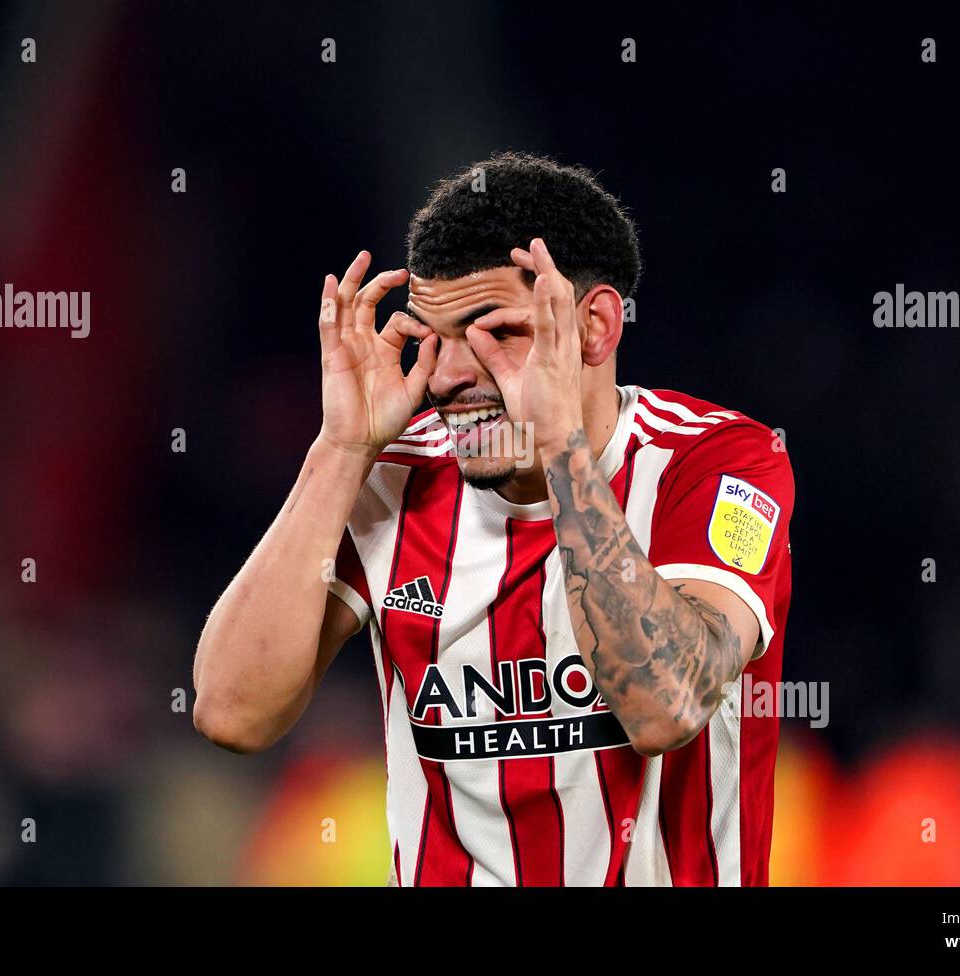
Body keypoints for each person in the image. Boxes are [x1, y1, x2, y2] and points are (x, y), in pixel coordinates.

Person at [193, 152, 794, 886]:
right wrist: (339, 449)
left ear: (596, 326)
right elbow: (232, 715)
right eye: (433, 338)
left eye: (494, 333)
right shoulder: (393, 476)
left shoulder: (714, 462)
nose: (446, 376)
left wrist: (562, 446)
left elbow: (664, 707)